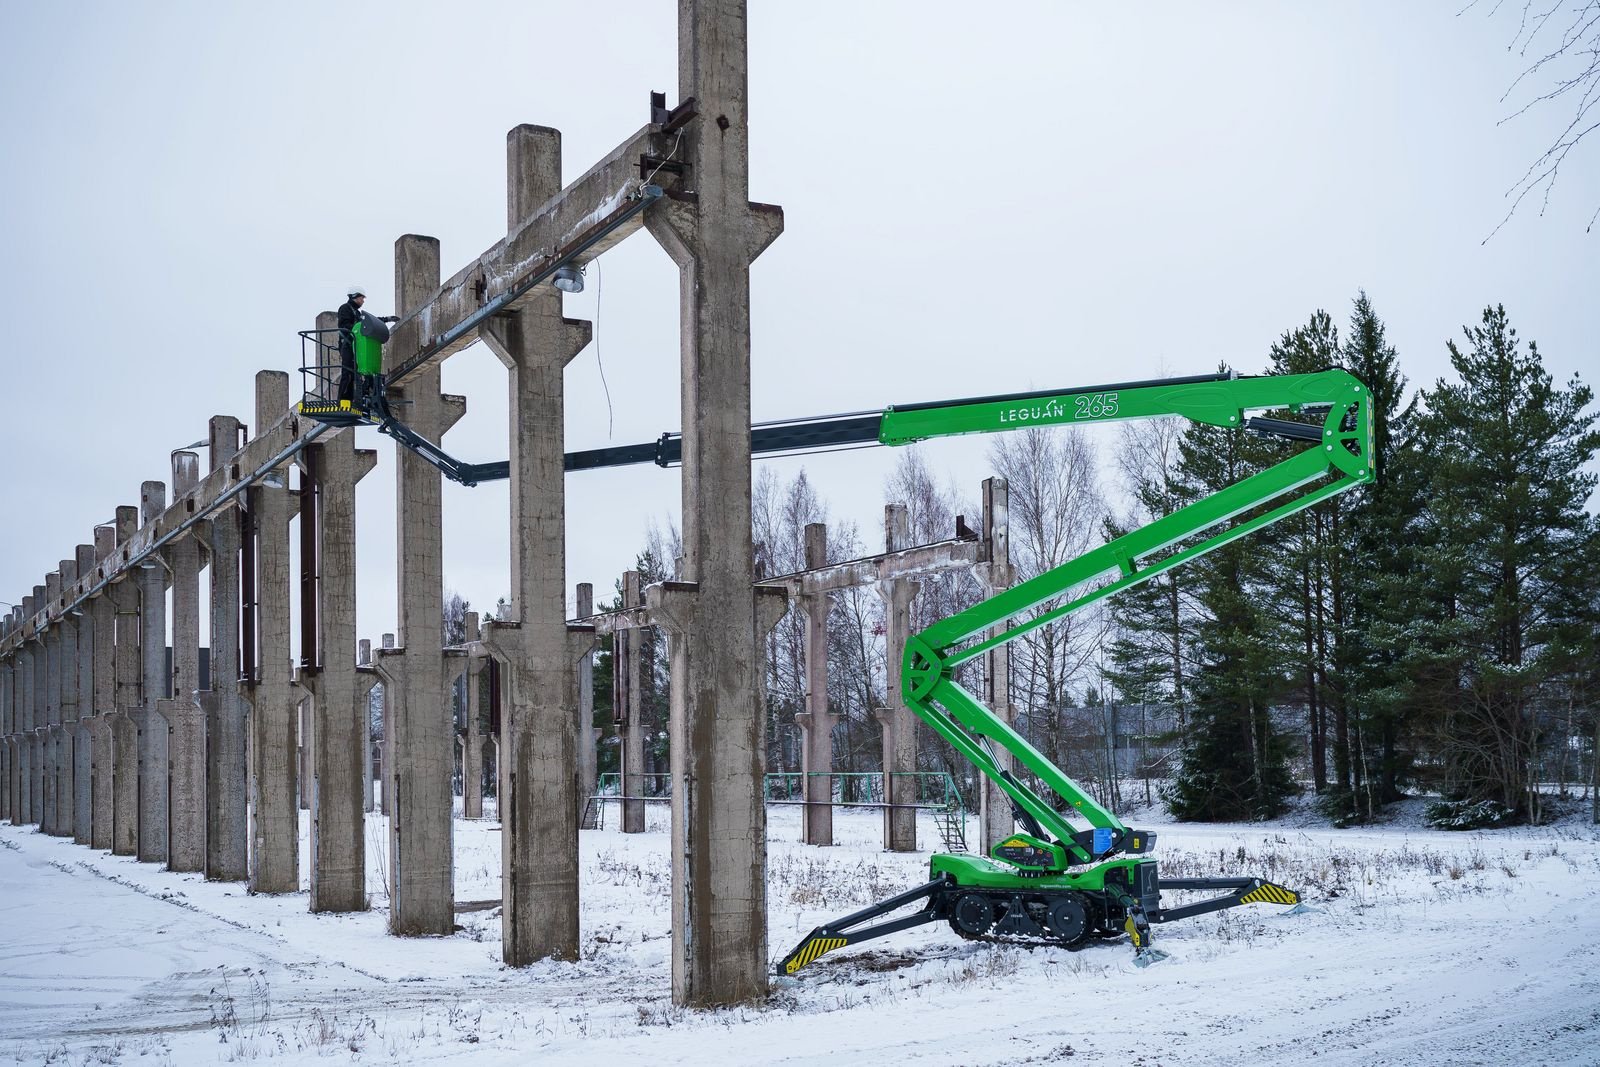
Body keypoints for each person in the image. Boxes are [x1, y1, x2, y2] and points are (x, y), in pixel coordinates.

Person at [336, 285, 367, 406]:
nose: (363, 301)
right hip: (347, 345)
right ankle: (342, 401)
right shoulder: (345, 309)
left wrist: (386, 319)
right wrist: (357, 329)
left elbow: (367, 322)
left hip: (354, 346)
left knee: (353, 375)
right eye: (362, 298)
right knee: (347, 373)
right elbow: (344, 325)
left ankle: (349, 400)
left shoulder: (358, 313)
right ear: (355, 296)